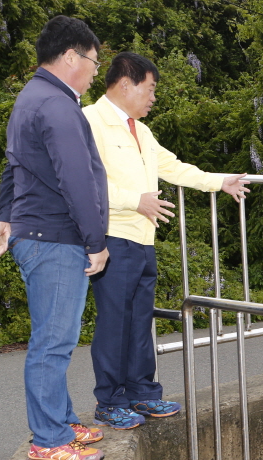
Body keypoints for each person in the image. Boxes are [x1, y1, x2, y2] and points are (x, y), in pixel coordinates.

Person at [84, 52, 250, 430]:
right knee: (115, 322)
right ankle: (110, 401)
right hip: (112, 236)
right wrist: (135, 201)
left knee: (140, 321)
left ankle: (142, 392)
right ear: (125, 84)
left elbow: (173, 167)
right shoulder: (90, 121)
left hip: (144, 239)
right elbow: (85, 183)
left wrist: (219, 181)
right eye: (150, 88)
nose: (153, 97)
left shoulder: (141, 131)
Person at [0, 15, 109, 460]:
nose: (95, 72)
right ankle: (48, 439)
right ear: (71, 56)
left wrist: (5, 215)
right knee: (53, 343)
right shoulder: (56, 105)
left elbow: (13, 165)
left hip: (39, 232)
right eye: (94, 62)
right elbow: (77, 179)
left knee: (55, 337)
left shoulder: (33, 97)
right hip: (54, 236)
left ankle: (60, 421)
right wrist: (95, 241)